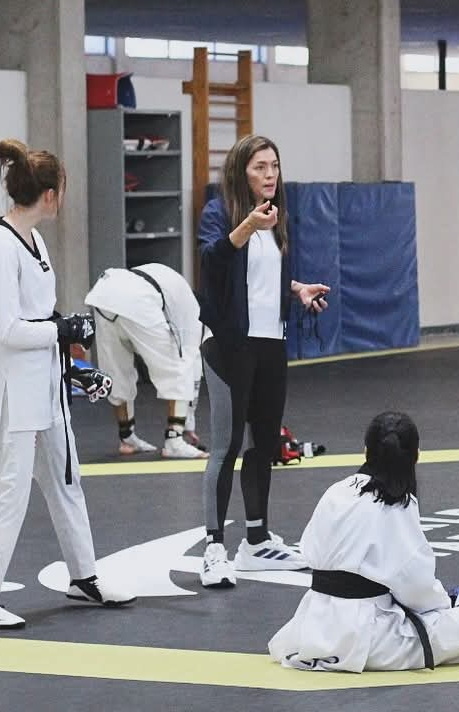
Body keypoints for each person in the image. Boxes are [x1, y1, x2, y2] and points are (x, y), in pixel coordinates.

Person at [0, 138, 135, 629]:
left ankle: (84, 576)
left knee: (66, 480)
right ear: (49, 194)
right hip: (14, 386)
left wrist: (72, 357)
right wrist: (62, 331)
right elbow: (7, 328)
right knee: (11, 489)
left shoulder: (34, 239)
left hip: (45, 381)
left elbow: (36, 314)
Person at [269, 411, 459, 672]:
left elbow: (313, 552)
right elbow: (416, 588)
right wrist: (449, 602)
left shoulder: (337, 490)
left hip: (313, 624)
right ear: (416, 456)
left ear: (365, 450)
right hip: (373, 637)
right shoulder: (396, 504)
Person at [196, 134, 329, 589]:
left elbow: (262, 275)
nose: (270, 175)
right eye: (259, 167)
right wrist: (247, 226)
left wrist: (298, 290)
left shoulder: (278, 218)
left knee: (262, 445)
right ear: (241, 172)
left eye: (274, 166)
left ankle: (256, 542)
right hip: (229, 344)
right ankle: (214, 547)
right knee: (226, 446)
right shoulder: (220, 214)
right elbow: (213, 261)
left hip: (271, 342)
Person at [85, 261, 208, 459]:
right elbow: (189, 366)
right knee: (177, 368)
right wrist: (188, 424)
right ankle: (174, 441)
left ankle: (127, 438)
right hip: (137, 300)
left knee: (116, 371)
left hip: (104, 293)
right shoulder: (195, 315)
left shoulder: (178, 291)